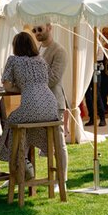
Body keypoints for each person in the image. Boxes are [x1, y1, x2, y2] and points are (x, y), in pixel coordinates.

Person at [0, 32, 60, 175]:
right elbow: (45, 81)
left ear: (16, 46)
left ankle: (19, 160)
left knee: (11, 121)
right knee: (27, 123)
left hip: (32, 104)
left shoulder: (14, 60)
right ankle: (24, 161)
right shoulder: (41, 60)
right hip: (51, 106)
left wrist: (23, 87)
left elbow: (7, 86)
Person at [32, 24, 70, 181]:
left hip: (54, 102)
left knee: (58, 142)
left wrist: (30, 82)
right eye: (34, 30)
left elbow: (54, 78)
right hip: (36, 103)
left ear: (49, 27)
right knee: (28, 140)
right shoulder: (36, 51)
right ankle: (26, 175)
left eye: (40, 29)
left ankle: (62, 179)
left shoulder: (59, 50)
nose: (37, 33)